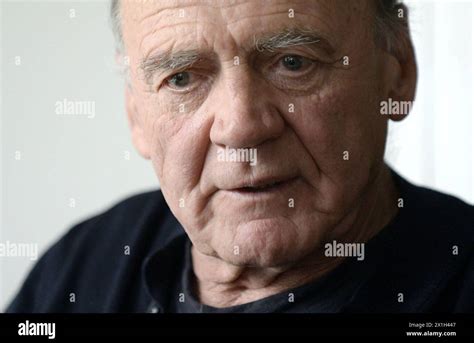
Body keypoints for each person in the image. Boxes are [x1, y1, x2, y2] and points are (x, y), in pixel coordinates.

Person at [7, 0, 473, 313]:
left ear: (398, 71)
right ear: (135, 114)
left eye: (293, 62)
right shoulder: (80, 267)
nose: (241, 127)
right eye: (183, 78)